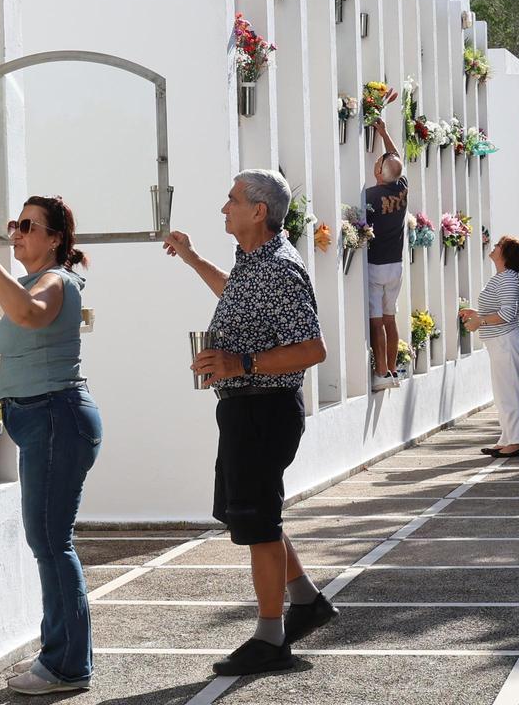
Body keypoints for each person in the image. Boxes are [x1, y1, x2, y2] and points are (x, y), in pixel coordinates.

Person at [163, 169, 334, 677]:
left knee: (258, 522)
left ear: (259, 211)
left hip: (263, 408)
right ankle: (306, 601)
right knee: (254, 514)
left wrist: (242, 364)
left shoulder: (280, 268)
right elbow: (235, 293)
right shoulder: (253, 261)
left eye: (232, 200)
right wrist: (193, 259)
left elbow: (313, 349)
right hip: (246, 409)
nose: (224, 208)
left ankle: (270, 638)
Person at [0, 196, 102, 696]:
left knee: (51, 542)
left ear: (54, 238)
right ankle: (64, 660)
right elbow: (14, 336)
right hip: (41, 418)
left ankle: (65, 666)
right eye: (13, 223)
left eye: (28, 226)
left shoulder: (55, 281)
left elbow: (33, 316)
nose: (16, 233)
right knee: (49, 541)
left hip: (56, 416)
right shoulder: (28, 284)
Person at [461, 236, 519, 457]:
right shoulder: (503, 277)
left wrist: (479, 321)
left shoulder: (508, 279)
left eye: (499, 245)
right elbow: (499, 310)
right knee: (502, 393)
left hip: (505, 341)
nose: (494, 247)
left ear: (506, 254)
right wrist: (476, 315)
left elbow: (507, 314)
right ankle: (507, 438)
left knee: (508, 392)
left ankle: (516, 441)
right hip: (499, 343)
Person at [365, 111, 406, 392]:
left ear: (379, 173)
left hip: (376, 265)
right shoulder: (402, 186)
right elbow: (394, 157)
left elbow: (392, 158)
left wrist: (382, 134)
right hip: (396, 265)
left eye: (378, 163)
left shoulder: (371, 196)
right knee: (391, 319)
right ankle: (392, 369)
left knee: (376, 320)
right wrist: (383, 133)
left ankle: (380, 372)